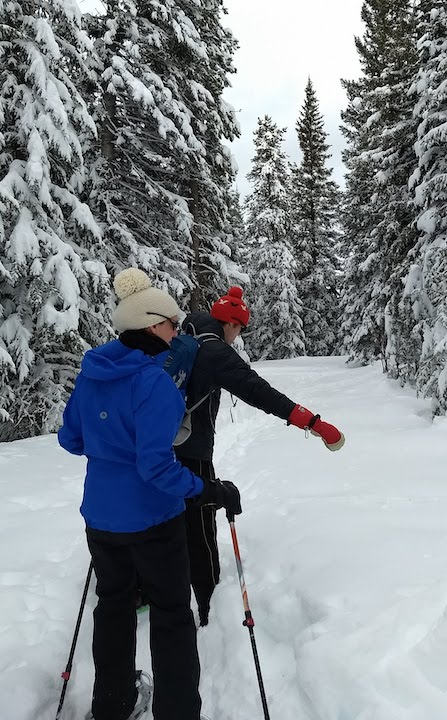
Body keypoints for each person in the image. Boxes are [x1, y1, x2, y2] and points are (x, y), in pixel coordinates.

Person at [57, 268, 241, 720]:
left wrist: (109, 442)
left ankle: (113, 706)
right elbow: (155, 465)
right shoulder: (154, 381)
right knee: (172, 614)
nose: (178, 332)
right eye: (172, 324)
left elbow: (72, 439)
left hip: (101, 519)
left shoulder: (93, 371)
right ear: (150, 325)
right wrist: (204, 488)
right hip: (154, 520)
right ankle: (178, 711)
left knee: (114, 608)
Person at [173, 286, 345, 626]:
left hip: (155, 447)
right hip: (192, 450)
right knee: (200, 526)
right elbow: (260, 393)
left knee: (163, 518)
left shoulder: (180, 337)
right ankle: (208, 603)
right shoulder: (216, 352)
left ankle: (147, 588)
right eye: (240, 329)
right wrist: (312, 423)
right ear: (233, 325)